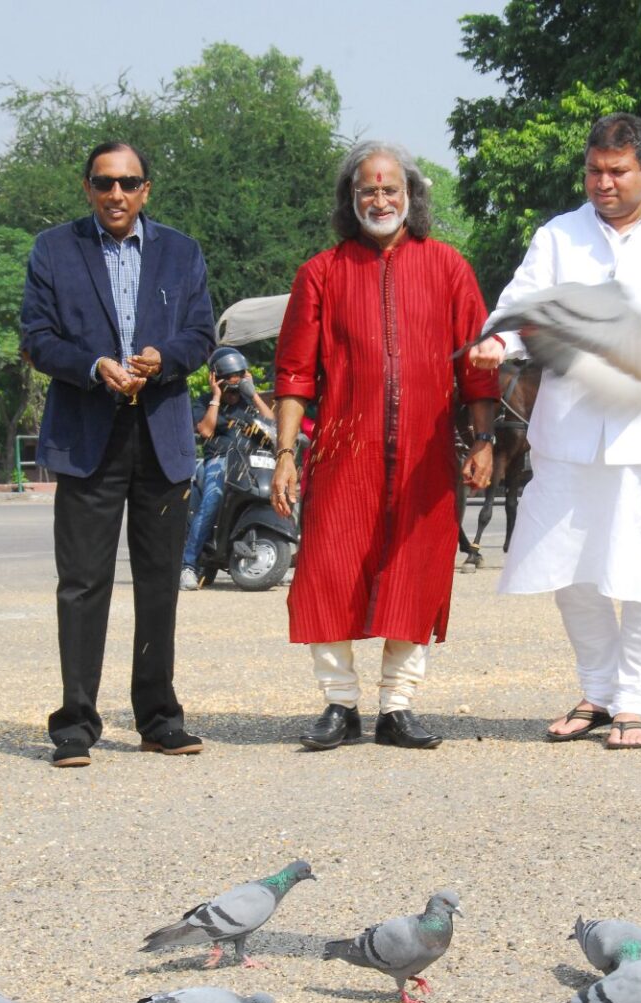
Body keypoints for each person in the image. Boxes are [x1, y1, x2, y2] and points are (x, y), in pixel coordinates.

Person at [471, 113, 641, 749]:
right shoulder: (559, 236)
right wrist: (499, 343)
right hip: (571, 433)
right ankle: (597, 691)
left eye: (617, 171)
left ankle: (634, 701)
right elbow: (518, 313)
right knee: (573, 569)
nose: (603, 182)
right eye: (594, 170)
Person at [272, 140, 501, 751]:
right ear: (351, 200)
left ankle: (397, 707)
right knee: (329, 568)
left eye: (390, 189)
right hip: (344, 451)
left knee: (416, 570)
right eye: (367, 190)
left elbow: (477, 369)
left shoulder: (449, 267)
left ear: (411, 197)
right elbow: (294, 373)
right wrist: (287, 454)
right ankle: (339, 704)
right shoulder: (320, 273)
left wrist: (482, 440)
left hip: (427, 456)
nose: (380, 199)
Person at [21, 141, 215, 767]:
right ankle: (75, 722)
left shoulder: (181, 253)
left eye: (129, 183)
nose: (117, 195)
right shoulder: (55, 249)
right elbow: (37, 337)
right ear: (87, 188)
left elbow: (201, 334)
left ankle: (159, 716)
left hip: (160, 436)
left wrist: (164, 361)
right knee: (83, 584)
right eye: (105, 183)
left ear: (146, 190)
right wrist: (92, 365)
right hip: (86, 436)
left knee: (159, 583)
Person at [180, 347, 274, 590]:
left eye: (240, 376)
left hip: (249, 461)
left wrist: (253, 395)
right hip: (217, 461)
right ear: (218, 378)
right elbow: (206, 431)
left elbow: (271, 426)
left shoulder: (249, 402)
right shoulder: (204, 402)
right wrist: (216, 396)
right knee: (214, 496)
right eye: (231, 378)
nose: (236, 383)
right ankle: (188, 566)